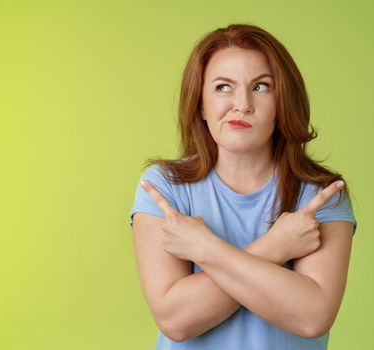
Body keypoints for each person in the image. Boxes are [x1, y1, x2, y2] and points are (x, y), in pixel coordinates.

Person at [129, 23, 357, 350]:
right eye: (223, 87)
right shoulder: (164, 187)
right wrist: (276, 247)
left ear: (282, 103)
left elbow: (312, 317)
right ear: (201, 104)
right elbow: (176, 321)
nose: (242, 104)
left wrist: (204, 248)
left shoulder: (322, 194)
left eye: (261, 87)